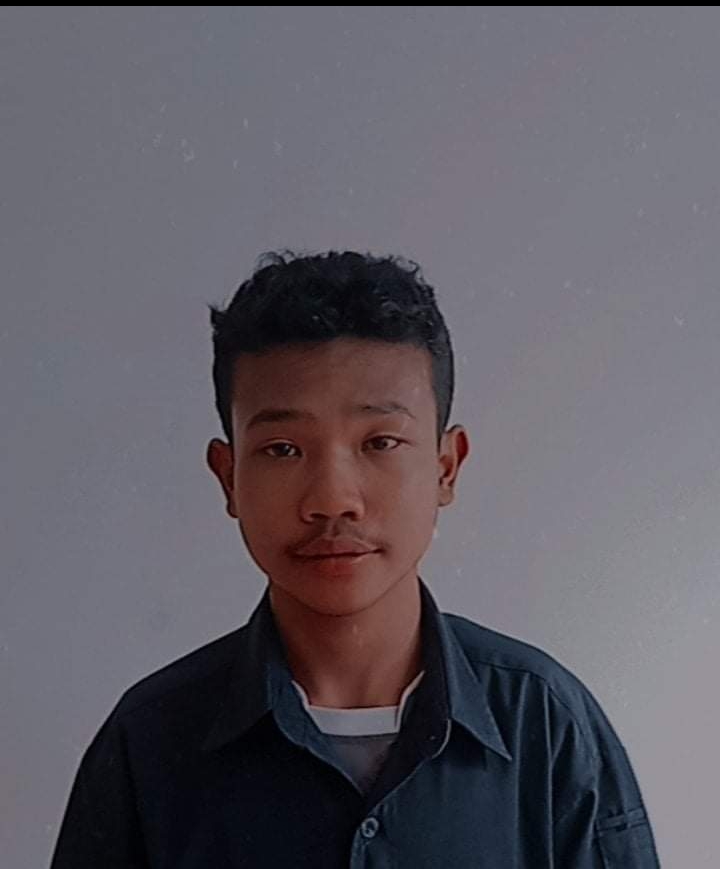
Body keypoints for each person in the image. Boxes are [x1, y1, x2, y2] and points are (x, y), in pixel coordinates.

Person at [50, 249, 661, 867]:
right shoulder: (149, 742)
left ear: (445, 468)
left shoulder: (546, 725)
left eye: (380, 442)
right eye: (283, 449)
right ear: (228, 476)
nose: (332, 499)